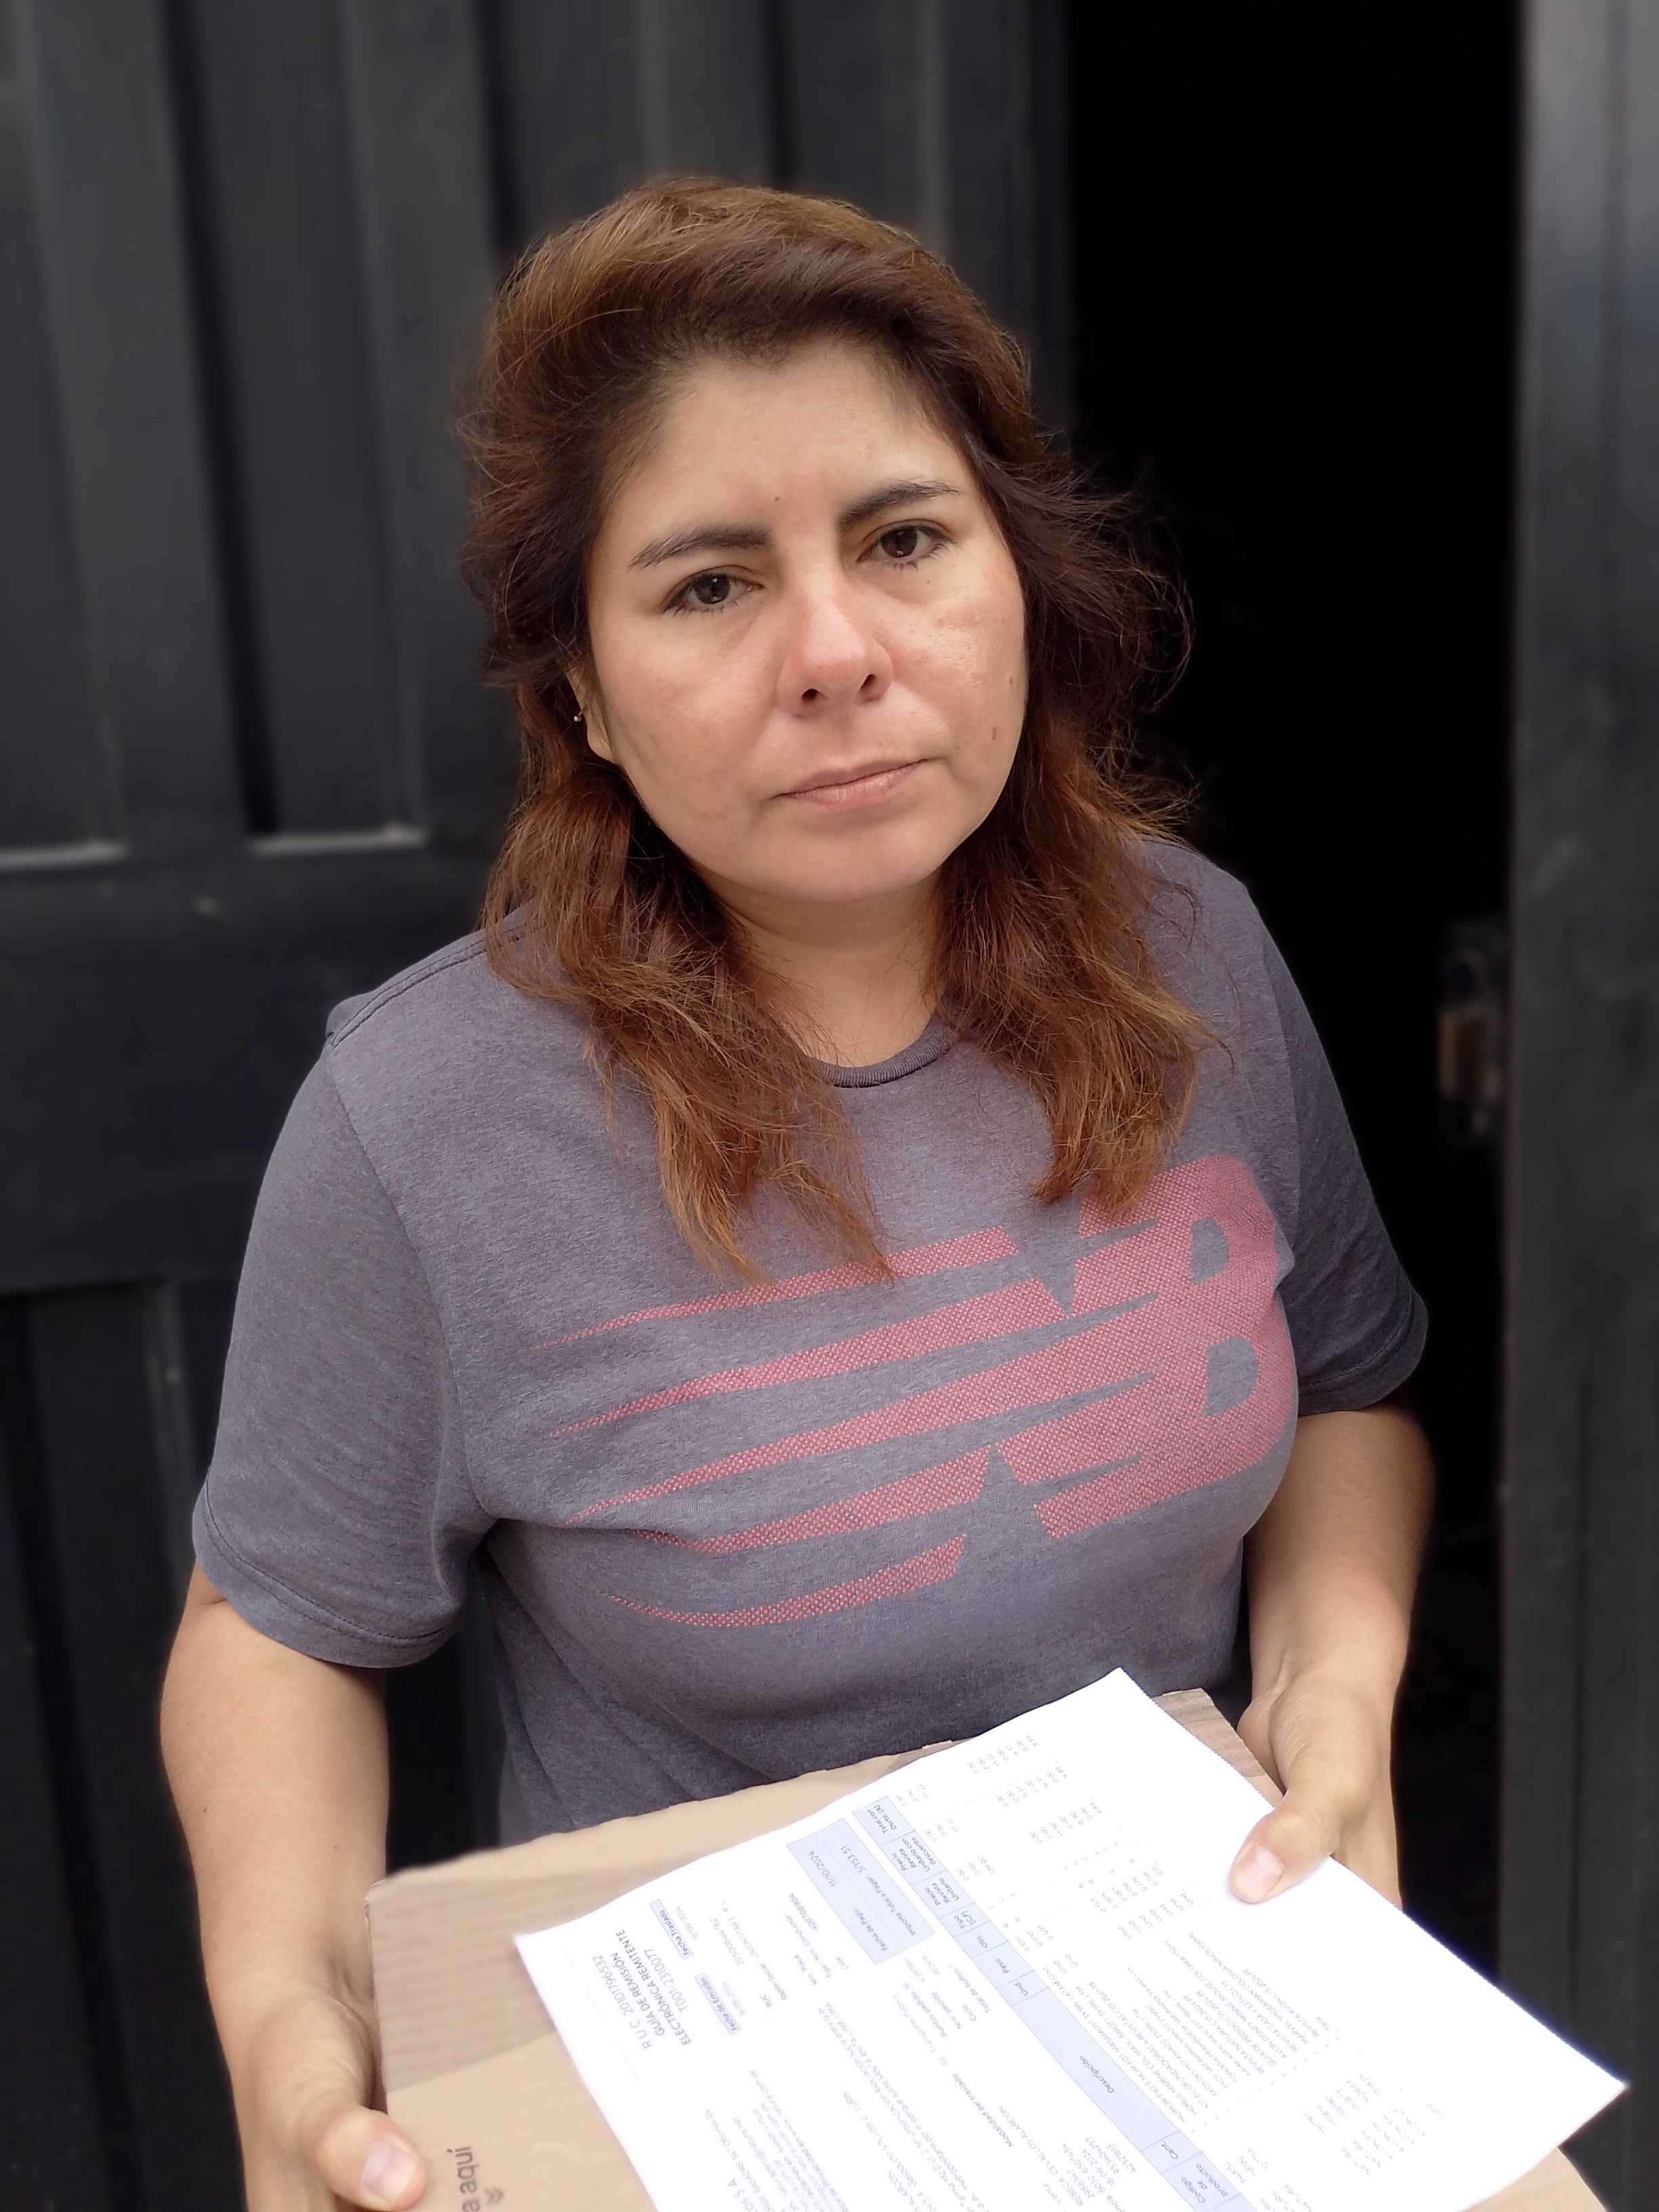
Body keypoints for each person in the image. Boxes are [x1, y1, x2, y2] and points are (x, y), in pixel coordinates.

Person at [161, 177, 1431, 2212]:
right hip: (719, 2111)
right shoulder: (425, 1126)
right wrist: (285, 2019)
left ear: (1016, 575)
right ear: (582, 690)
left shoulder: (1196, 958)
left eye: (905, 540)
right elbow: (280, 1624)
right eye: (708, 585)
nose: (837, 652)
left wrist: (1334, 1688)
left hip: (1188, 2048)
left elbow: (1350, 1386)